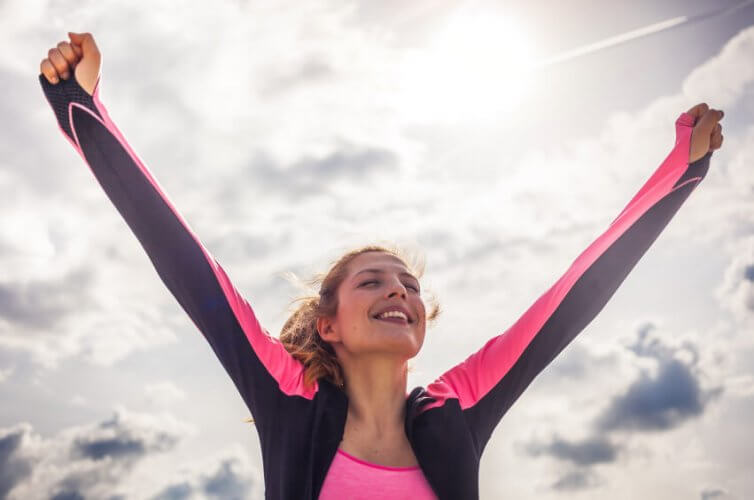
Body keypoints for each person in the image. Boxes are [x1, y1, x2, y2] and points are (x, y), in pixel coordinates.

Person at [38, 32, 724, 500]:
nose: (400, 292)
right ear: (328, 324)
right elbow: (181, 257)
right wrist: (81, 108)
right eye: (373, 281)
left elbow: (577, 295)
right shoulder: (290, 398)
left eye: (410, 286)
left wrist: (681, 171)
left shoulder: (460, 407)